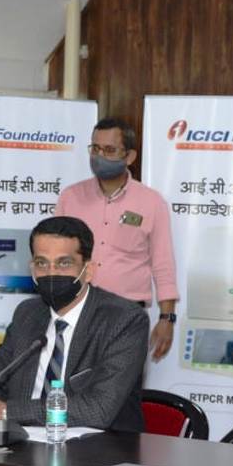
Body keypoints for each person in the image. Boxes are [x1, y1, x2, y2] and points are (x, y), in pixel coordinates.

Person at [0, 216, 148, 431]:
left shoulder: (124, 319)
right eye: (42, 263)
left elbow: (98, 409)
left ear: (88, 270)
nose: (51, 272)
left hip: (100, 445)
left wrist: (5, 411)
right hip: (23, 442)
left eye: (64, 263)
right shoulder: (27, 314)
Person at [55, 117, 179, 361]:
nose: (100, 156)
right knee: (72, 382)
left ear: (129, 156)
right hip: (75, 313)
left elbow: (163, 264)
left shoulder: (151, 202)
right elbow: (54, 256)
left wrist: (167, 318)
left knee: (124, 384)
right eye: (95, 148)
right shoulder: (71, 197)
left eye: (109, 150)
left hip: (127, 316)